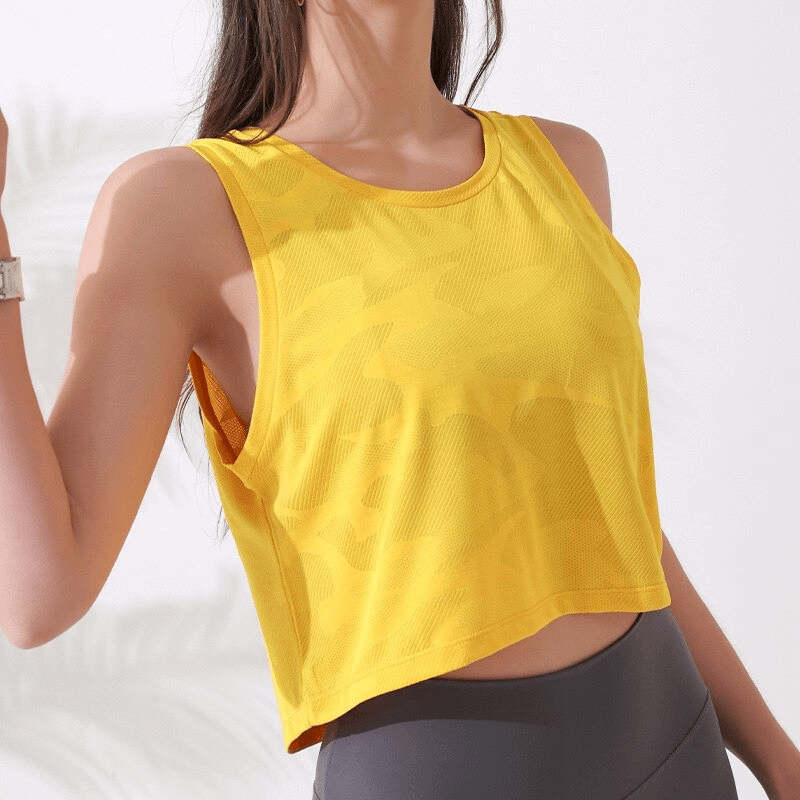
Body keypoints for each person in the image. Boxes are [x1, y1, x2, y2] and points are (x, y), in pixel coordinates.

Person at [0, 1, 798, 797]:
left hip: (669, 744)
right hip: (432, 771)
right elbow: (37, 597)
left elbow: (620, 528)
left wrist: (778, 758)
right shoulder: (184, 205)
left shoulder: (564, 165)